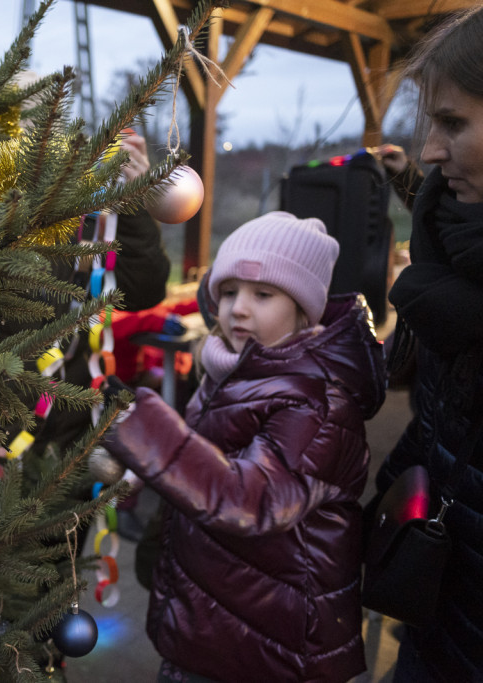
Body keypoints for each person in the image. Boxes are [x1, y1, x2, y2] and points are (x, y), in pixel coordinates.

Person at [103, 211, 387, 682]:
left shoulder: (316, 401)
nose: (237, 308)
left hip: (275, 647)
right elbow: (200, 459)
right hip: (221, 624)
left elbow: (248, 499)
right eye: (228, 291)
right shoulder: (235, 372)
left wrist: (138, 420)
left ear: (303, 309)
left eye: (263, 294)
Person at [371, 1, 483, 680]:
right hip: (436, 628)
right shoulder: (451, 252)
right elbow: (437, 431)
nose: (431, 150)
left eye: (454, 123)